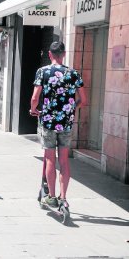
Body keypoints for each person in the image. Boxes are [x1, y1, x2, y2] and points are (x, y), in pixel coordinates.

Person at [30, 41, 86, 208]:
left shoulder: (43, 71)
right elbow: (84, 100)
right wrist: (71, 109)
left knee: (49, 160)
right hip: (66, 123)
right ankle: (64, 198)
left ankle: (52, 197)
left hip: (48, 121)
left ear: (49, 54)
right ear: (64, 54)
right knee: (64, 161)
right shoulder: (73, 73)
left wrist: (34, 109)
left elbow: (35, 97)